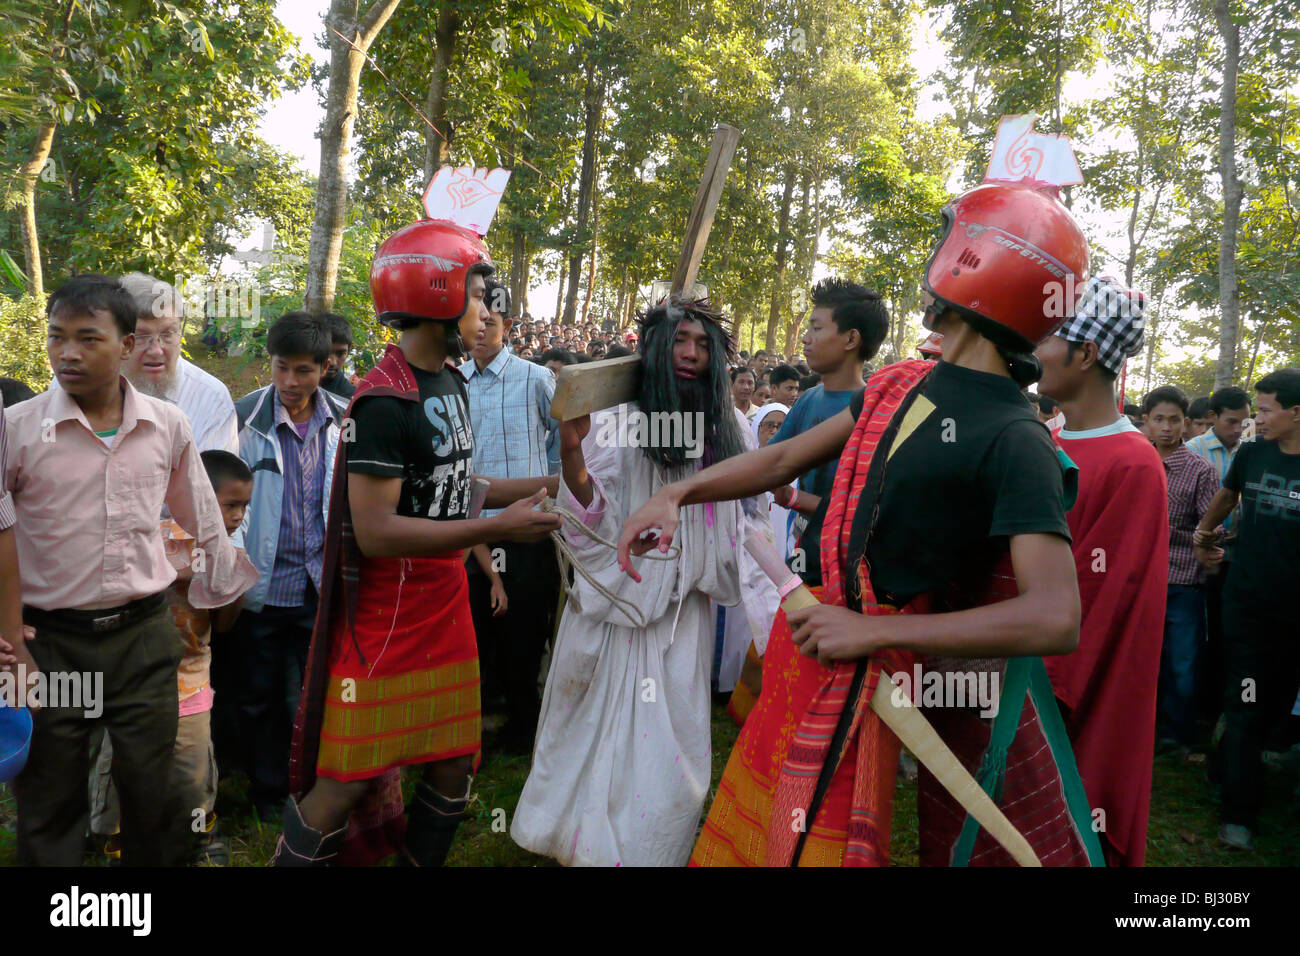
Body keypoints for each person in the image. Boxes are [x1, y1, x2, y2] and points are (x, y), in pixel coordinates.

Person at [624, 180, 1099, 868]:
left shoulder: (1015, 437)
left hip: (873, 670)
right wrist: (680, 494)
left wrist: (875, 630)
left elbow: (1056, 615)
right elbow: (784, 457)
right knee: (759, 834)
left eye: (948, 240)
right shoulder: (900, 382)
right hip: (820, 644)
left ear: (976, 265)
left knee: (812, 845)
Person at [275, 219, 560, 867]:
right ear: (440, 296)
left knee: (457, 765)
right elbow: (375, 533)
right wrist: (497, 528)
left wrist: (550, 486)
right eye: (480, 293)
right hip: (385, 623)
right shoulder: (382, 403)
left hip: (445, 606)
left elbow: (459, 483)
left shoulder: (451, 382)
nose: (487, 310)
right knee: (344, 779)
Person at [5, 275, 255, 866]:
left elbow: (204, 515)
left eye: (88, 338)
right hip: (50, 643)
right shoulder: (16, 431)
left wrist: (225, 592)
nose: (68, 352)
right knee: (49, 802)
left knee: (154, 795)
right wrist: (11, 638)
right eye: (56, 338)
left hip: (143, 638)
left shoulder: (166, 425)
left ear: (124, 346)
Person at [510, 298, 763, 867]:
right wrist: (572, 452)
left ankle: (645, 850)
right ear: (654, 349)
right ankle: (575, 840)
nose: (692, 354)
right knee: (584, 736)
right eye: (679, 342)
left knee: (665, 756)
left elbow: (747, 520)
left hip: (679, 619)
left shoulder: (727, 430)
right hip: (610, 603)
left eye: (703, 345)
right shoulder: (618, 419)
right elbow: (589, 512)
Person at [1034, 276, 1168, 867]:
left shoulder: (1134, 463)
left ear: (1086, 354)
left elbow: (1103, 597)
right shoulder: (1047, 439)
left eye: (1047, 338)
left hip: (1071, 682)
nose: (1033, 350)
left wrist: (1042, 688)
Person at [229, 313, 349, 821]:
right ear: (270, 364)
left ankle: (309, 789)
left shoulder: (347, 418)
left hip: (319, 584)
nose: (291, 383)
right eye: (282, 369)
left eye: (304, 371)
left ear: (326, 367)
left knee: (311, 691)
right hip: (261, 585)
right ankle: (266, 790)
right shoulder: (243, 417)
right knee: (257, 693)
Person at [1195, 368, 1300, 851]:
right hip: (1247, 607)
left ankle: (1228, 766)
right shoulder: (1253, 455)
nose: (1257, 419)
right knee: (1246, 700)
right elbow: (1228, 493)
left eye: (1265, 409)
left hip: (1293, 616)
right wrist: (1205, 532)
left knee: (1273, 707)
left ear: (1295, 413)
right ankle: (1239, 812)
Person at [460, 276, 561, 753]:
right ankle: (478, 721)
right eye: (475, 321)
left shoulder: (535, 379)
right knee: (476, 627)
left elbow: (565, 440)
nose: (481, 330)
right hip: (471, 531)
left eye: (491, 322)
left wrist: (556, 496)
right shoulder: (454, 383)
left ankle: (524, 727)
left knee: (524, 630)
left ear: (508, 324)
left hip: (526, 530)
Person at [157, 449, 254, 864]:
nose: (237, 517)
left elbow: (226, 625)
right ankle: (122, 845)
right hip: (135, 679)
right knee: (125, 767)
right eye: (230, 505)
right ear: (200, 499)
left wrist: (230, 583)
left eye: (243, 507)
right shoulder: (154, 539)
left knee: (194, 771)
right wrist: (180, 570)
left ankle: (198, 843)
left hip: (191, 678)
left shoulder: (228, 554)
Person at [766, 279, 882, 592]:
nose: (805, 339)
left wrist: (795, 498)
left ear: (851, 339)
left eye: (816, 329)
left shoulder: (877, 412)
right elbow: (772, 461)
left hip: (851, 572)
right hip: (805, 552)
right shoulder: (808, 399)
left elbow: (866, 514)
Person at [1141, 386, 1219, 752]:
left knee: (1182, 662)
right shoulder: (1137, 462)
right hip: (1138, 579)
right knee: (1140, 659)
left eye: (1174, 420)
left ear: (1186, 424)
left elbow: (1211, 524)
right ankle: (1143, 727)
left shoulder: (1200, 470)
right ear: (1146, 422)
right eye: (1159, 419)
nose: (1167, 427)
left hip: (1182, 581)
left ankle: (1178, 735)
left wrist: (1206, 542)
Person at [1186, 385, 1252, 726]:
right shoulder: (1192, 452)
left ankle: (1227, 708)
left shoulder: (1251, 452)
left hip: (1236, 558)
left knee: (1231, 635)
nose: (1238, 429)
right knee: (1203, 635)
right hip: (1199, 559)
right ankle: (1200, 711)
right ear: (1212, 418)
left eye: (1245, 422)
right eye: (1232, 421)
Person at [318, 312, 357, 400]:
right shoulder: (290, 387)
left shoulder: (352, 400)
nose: (332, 362)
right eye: (326, 352)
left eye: (340, 354)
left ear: (348, 352)